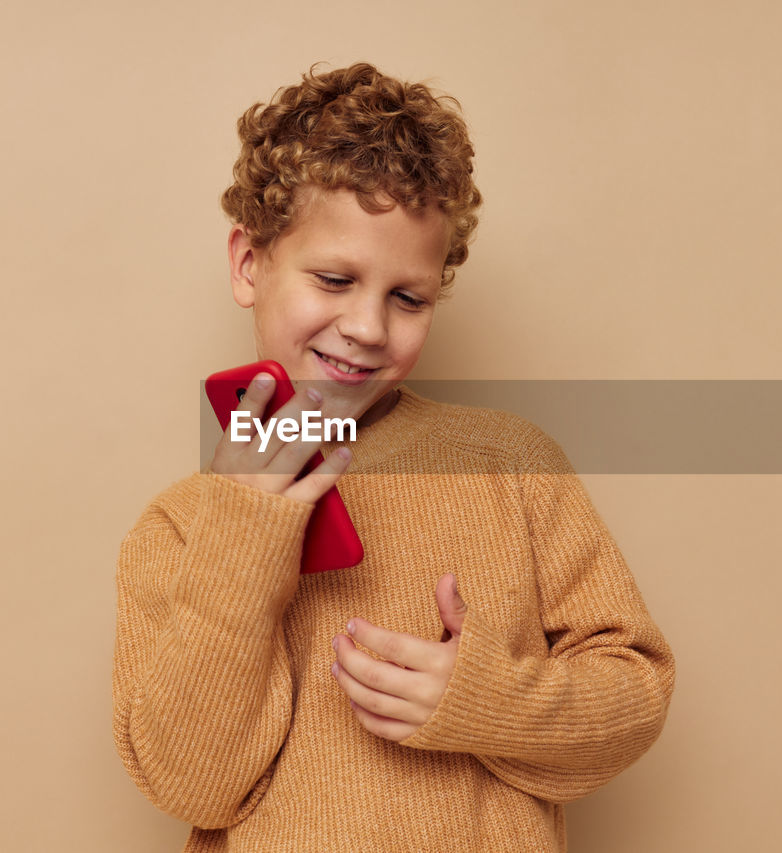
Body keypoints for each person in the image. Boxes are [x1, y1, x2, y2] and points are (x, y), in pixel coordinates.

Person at [112, 61, 675, 852]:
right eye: (335, 278)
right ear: (248, 263)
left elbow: (635, 692)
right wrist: (243, 528)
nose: (369, 327)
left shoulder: (507, 463)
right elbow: (193, 782)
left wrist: (488, 696)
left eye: (408, 298)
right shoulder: (178, 525)